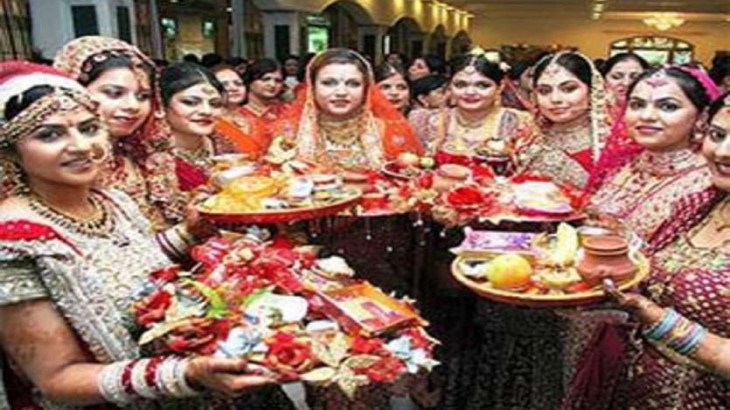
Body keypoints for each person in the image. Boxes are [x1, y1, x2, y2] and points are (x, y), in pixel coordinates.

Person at [0, 61, 273, 409]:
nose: (81, 146)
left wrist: (191, 233)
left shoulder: (113, 201)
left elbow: (138, 265)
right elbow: (57, 379)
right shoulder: (15, 239)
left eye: (88, 128)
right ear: (11, 151)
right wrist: (184, 375)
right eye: (49, 135)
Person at [565, 91, 730, 409]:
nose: (723, 152)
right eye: (718, 135)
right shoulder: (699, 205)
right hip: (633, 384)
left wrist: (655, 317)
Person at [53, 36, 186, 230]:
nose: (133, 106)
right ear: (75, 93)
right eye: (114, 93)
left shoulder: (142, 154)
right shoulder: (62, 165)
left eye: (143, 96)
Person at [586, 66, 717, 241]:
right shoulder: (623, 164)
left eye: (668, 106)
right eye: (637, 105)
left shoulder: (708, 184)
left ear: (702, 117)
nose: (646, 116)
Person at [267, 48, 422, 170]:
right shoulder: (287, 133)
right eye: (329, 83)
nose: (341, 92)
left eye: (353, 84)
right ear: (312, 88)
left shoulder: (390, 130)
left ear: (366, 89)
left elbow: (411, 182)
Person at [410, 50, 538, 174]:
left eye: (482, 85)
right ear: (450, 87)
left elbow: (529, 174)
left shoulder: (519, 123)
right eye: (461, 85)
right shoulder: (426, 121)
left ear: (500, 87)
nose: (470, 92)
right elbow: (410, 169)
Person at [519, 51, 612, 190]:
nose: (555, 99)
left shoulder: (610, 145)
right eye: (544, 91)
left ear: (592, 91)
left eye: (568, 89)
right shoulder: (527, 139)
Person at [161, 62, 235, 192]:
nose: (207, 111)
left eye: (214, 104)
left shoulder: (224, 145)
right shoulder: (151, 158)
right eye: (190, 102)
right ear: (162, 104)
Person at [601, 52, 650, 118]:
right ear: (604, 80)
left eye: (635, 77)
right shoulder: (593, 113)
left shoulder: (653, 112)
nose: (626, 83)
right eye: (616, 77)